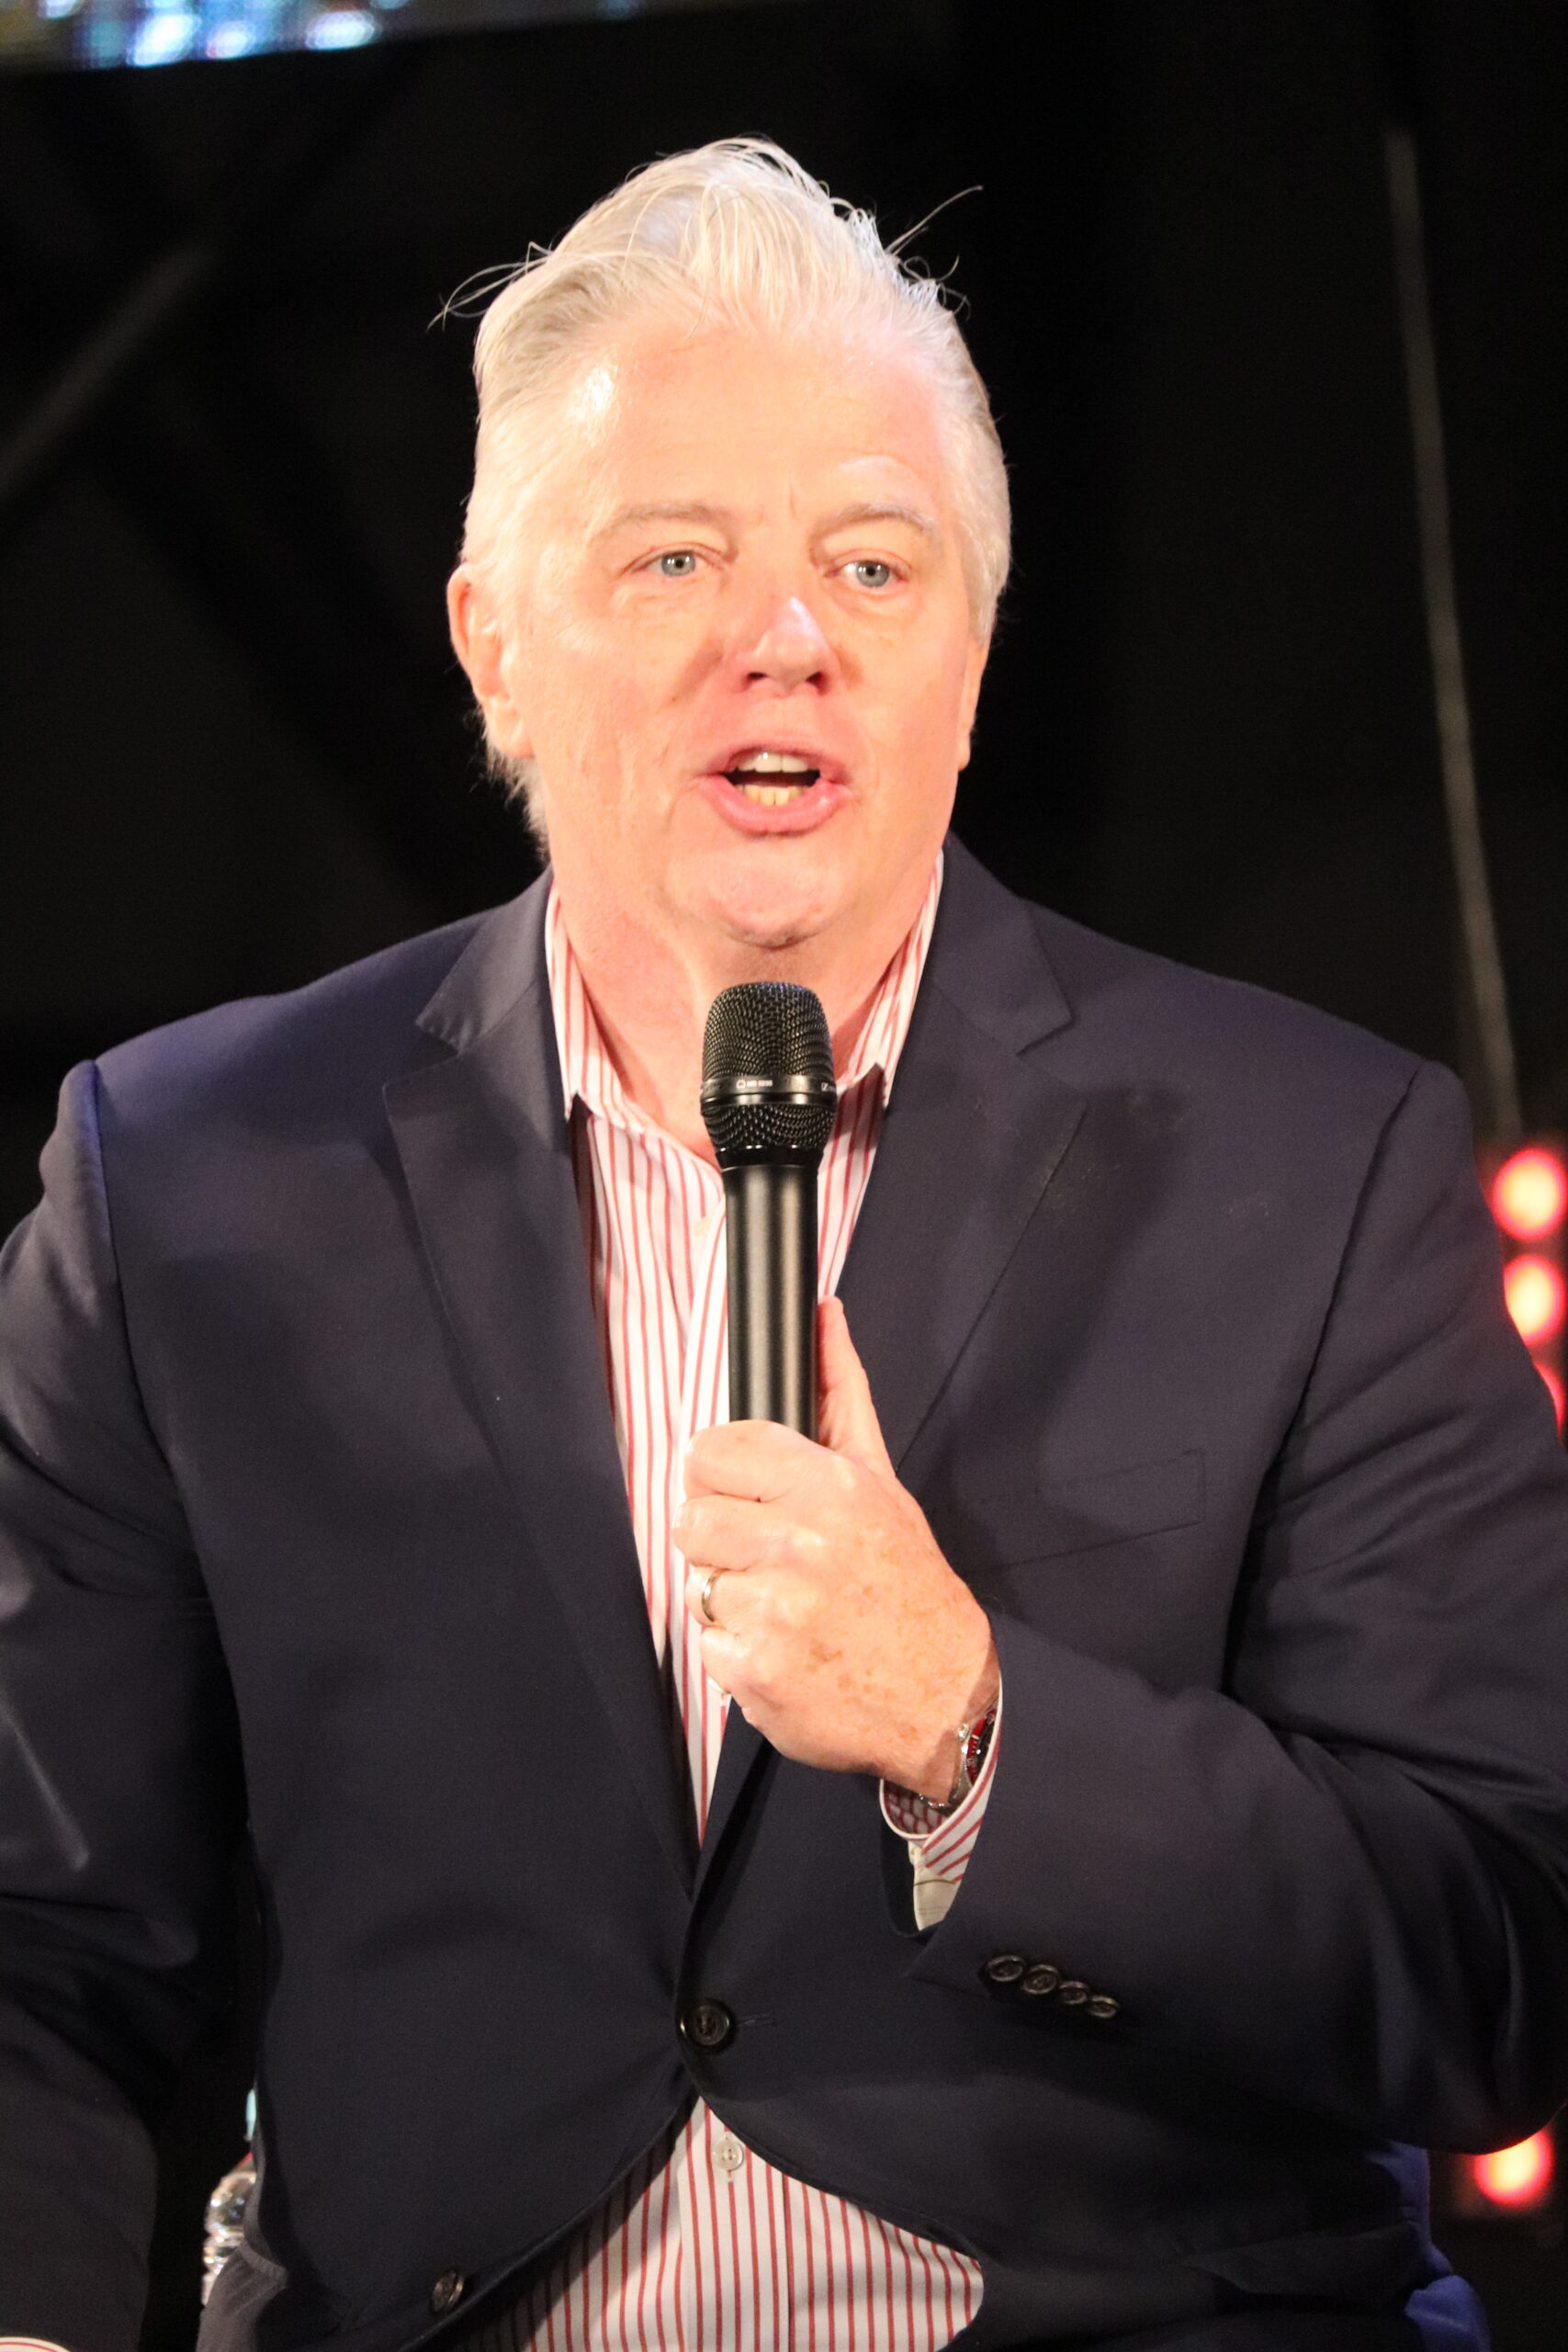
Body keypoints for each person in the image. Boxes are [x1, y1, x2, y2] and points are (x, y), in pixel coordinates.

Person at [2, 138, 1566, 2352]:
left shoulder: (1312, 1164)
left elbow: (1503, 1952)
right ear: (492, 643)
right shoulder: (180, 1176)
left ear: (968, 659)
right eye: (675, 557)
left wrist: (973, 1728)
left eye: (871, 562)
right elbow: (34, 1936)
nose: (790, 639)